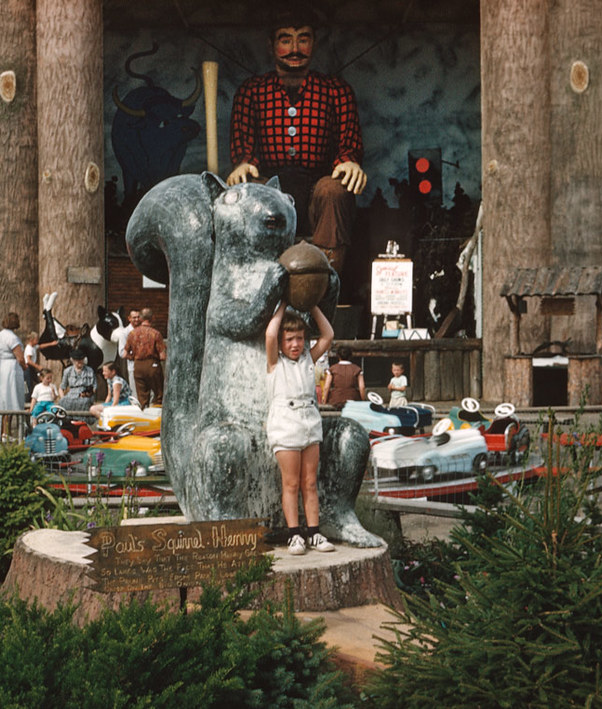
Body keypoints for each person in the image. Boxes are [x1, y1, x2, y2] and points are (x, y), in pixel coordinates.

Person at [227, 9, 366, 275]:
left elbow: (349, 145)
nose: (294, 48)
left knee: (334, 190)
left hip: (316, 187)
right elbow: (243, 147)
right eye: (285, 39)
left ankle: (325, 281)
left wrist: (349, 162)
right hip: (271, 185)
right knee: (250, 191)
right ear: (271, 45)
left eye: (303, 39)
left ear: (313, 43)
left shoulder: (336, 90)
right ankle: (258, 279)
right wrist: (243, 164)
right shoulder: (252, 91)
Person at [265, 301, 335, 555]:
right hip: (285, 426)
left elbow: (328, 335)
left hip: (309, 424)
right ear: (282, 343)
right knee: (291, 483)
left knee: (310, 483)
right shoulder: (275, 363)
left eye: (300, 338)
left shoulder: (308, 359)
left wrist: (312, 304)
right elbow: (270, 334)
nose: (295, 344)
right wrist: (283, 304)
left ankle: (314, 532)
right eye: (290, 339)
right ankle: (295, 535)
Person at [124, 307, 166, 408]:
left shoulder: (132, 334)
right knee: (158, 395)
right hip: (152, 365)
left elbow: (124, 354)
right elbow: (162, 356)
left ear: (141, 318)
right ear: (153, 318)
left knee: (142, 397)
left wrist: (133, 357)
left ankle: (143, 413)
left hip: (137, 366)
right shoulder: (155, 334)